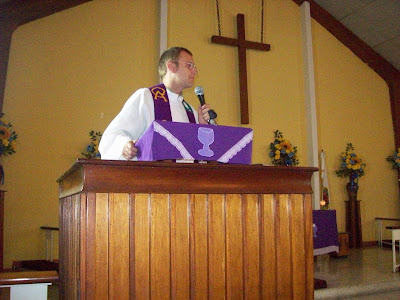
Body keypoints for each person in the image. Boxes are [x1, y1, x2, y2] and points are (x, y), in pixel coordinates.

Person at [99, 47, 214, 160]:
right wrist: (124, 146)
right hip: (153, 177)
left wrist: (202, 126)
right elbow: (111, 136)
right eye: (189, 65)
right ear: (171, 66)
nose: (195, 71)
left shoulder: (191, 112)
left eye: (194, 66)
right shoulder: (146, 98)